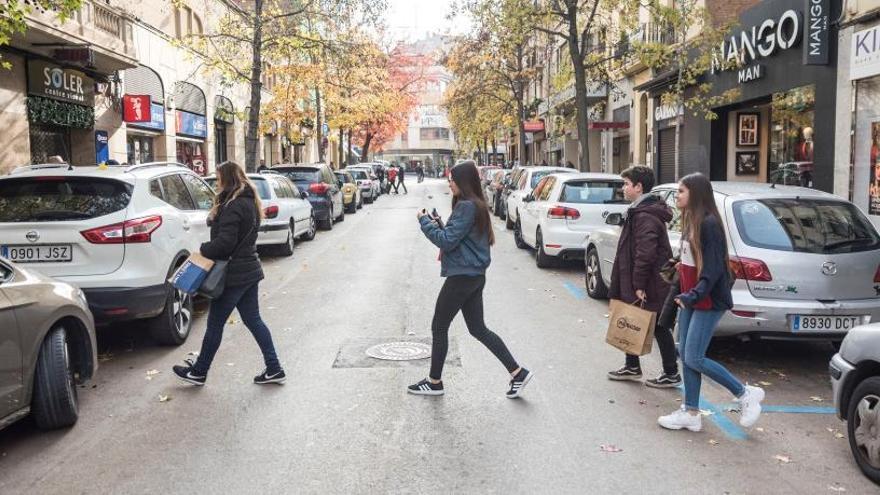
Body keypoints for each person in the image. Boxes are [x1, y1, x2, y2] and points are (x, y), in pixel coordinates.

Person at [410, 161, 532, 398]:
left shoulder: (467, 206)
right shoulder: (474, 205)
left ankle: (434, 382)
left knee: (439, 326)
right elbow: (457, 238)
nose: (449, 183)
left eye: (452, 179)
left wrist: (424, 222)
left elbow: (446, 242)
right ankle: (517, 372)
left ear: (463, 181)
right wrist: (440, 225)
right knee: (478, 329)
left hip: (462, 277)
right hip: (474, 276)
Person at [658, 173, 764, 432]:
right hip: (690, 298)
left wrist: (693, 295)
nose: (678, 195)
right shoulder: (690, 221)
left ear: (695, 194)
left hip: (707, 300)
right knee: (686, 354)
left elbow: (714, 269)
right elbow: (691, 261)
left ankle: (744, 393)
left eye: (681, 191)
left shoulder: (709, 224)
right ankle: (690, 412)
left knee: (694, 356)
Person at [173, 161, 285, 386]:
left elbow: (225, 243)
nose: (217, 181)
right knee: (253, 320)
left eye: (218, 177)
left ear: (226, 178)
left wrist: (203, 249)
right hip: (249, 270)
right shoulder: (250, 202)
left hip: (234, 275)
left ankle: (199, 371)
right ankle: (274, 368)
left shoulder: (233, 206)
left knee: (215, 325)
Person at [607, 165, 680, 388]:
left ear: (639, 187)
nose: (623, 188)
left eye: (627, 184)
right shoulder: (640, 210)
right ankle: (632, 365)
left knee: (658, 324)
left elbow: (645, 253)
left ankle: (671, 372)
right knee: (632, 318)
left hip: (649, 281)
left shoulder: (645, 215)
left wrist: (638, 283)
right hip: (643, 278)